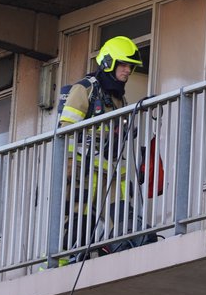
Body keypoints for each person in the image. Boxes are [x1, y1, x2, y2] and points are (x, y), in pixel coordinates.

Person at [55, 35, 146, 258]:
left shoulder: (118, 99)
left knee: (123, 213)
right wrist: (68, 165)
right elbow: (65, 130)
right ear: (108, 63)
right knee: (77, 220)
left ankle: (122, 247)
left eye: (130, 67)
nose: (127, 71)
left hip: (112, 169)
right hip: (82, 170)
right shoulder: (85, 89)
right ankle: (64, 263)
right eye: (123, 65)